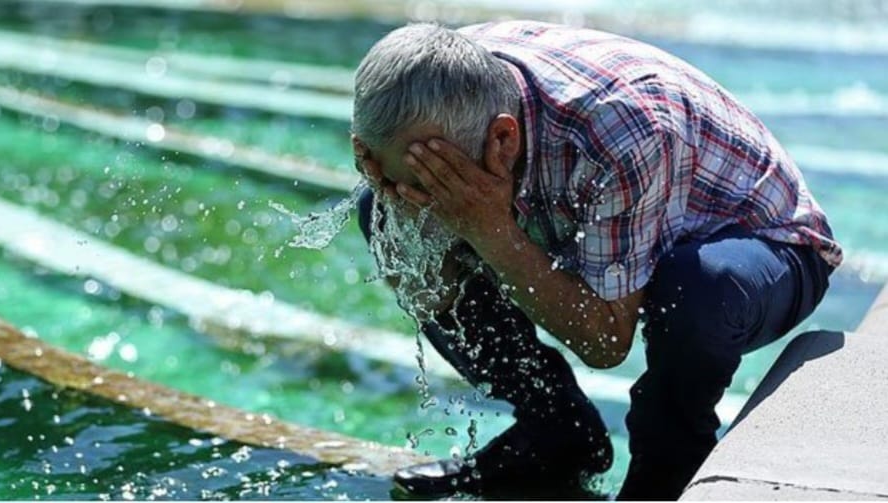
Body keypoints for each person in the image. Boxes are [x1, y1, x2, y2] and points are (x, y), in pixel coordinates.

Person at [350, 21, 841, 500]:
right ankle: (556, 431)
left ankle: (664, 475)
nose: (409, 194)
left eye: (430, 183)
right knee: (379, 213)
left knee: (694, 287)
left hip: (768, 249)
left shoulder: (622, 130)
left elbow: (605, 342)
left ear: (502, 140)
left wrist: (489, 229)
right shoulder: (427, 85)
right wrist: (395, 205)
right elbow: (431, 294)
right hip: (619, 217)